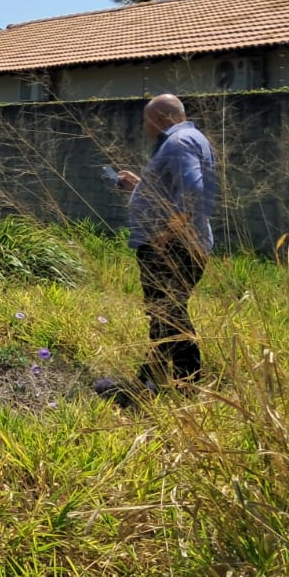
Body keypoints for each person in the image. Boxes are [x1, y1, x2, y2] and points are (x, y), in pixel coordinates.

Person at [95, 94, 218, 405]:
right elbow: (174, 192)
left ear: (162, 119)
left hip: (172, 248)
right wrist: (140, 187)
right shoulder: (190, 139)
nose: (145, 127)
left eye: (146, 121)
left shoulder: (178, 142)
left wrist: (164, 236)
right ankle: (156, 383)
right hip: (179, 245)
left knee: (169, 315)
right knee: (165, 315)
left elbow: (193, 195)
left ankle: (181, 386)